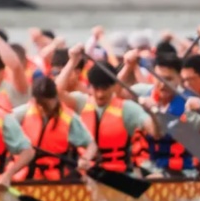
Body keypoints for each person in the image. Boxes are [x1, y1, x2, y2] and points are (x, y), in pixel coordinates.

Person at [56, 46, 159, 175]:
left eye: (104, 88)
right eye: (96, 89)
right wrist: (73, 61)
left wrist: (153, 114)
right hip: (87, 174)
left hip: (119, 175)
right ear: (90, 87)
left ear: (114, 86)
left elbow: (155, 132)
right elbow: (56, 92)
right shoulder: (81, 102)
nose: (100, 94)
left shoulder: (128, 109)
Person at [11, 77, 97, 180]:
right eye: (39, 104)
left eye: (45, 105)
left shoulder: (69, 119)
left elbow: (92, 145)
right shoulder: (24, 112)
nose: (41, 108)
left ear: (55, 99)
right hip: (23, 178)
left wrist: (85, 158)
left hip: (53, 181)